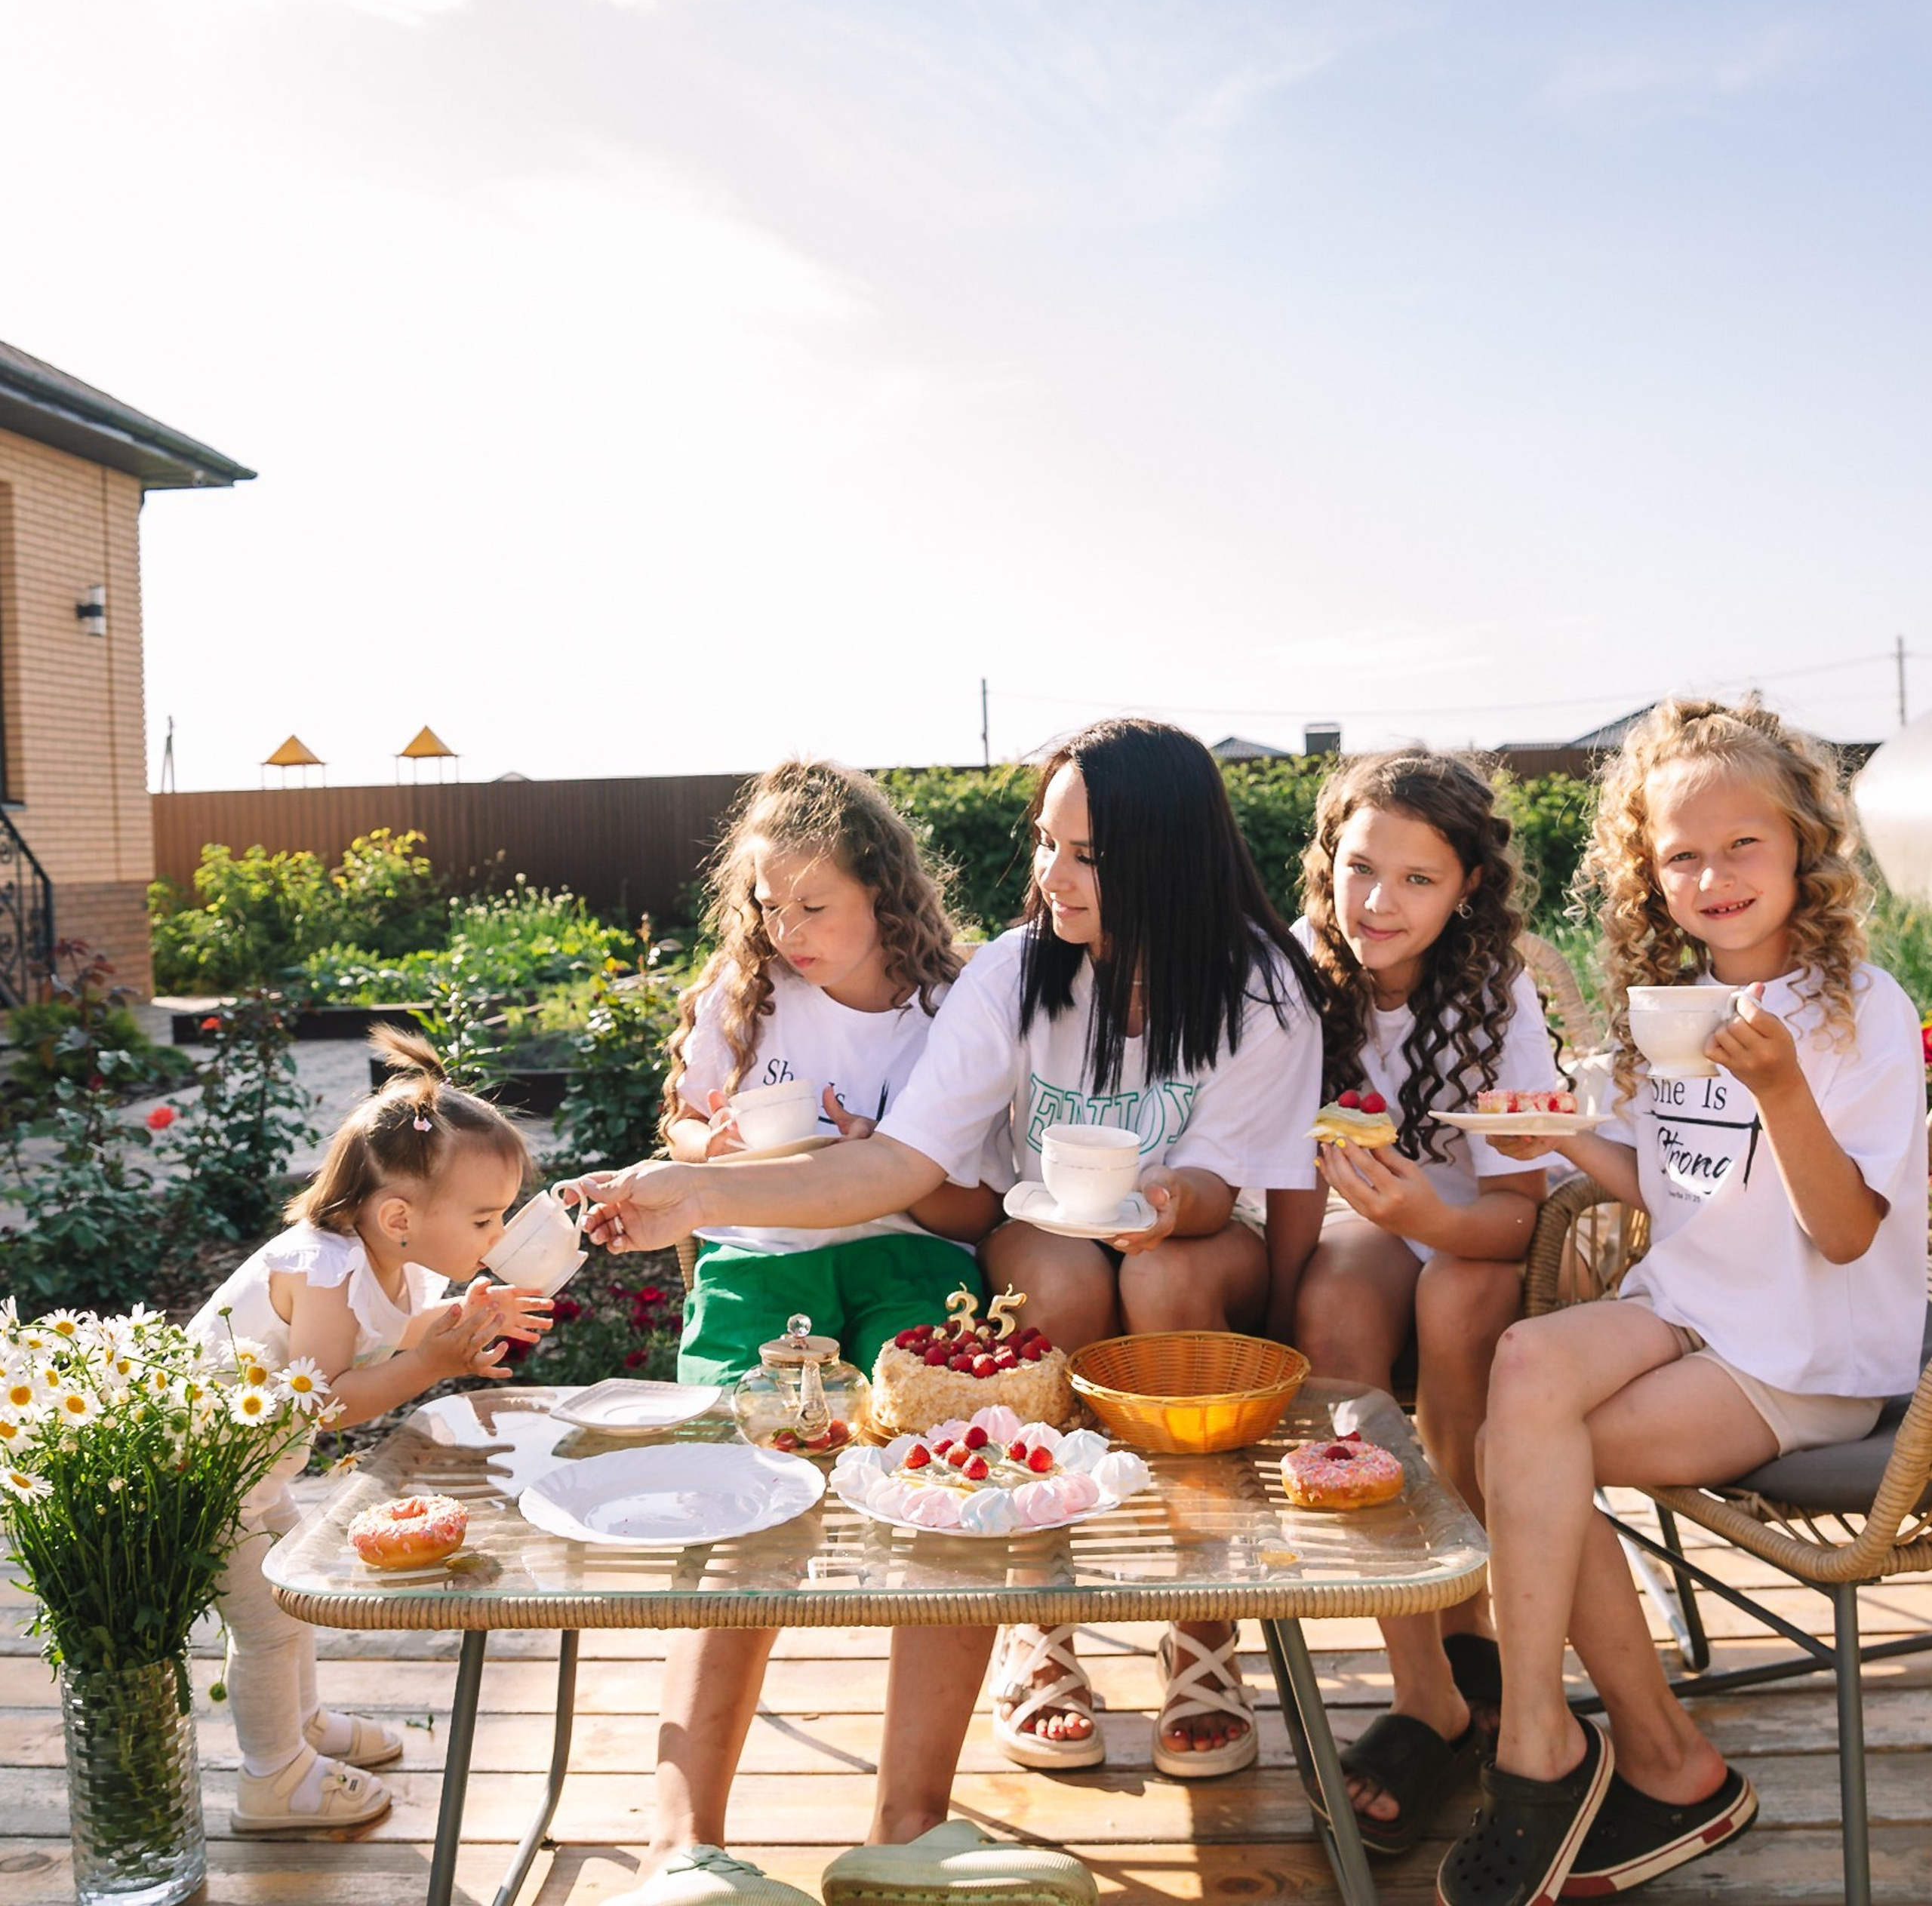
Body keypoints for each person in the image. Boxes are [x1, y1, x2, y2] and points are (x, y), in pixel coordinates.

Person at [583, 719, 1325, 1901]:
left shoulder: (1256, 983)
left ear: (1168, 855)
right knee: (769, 1478)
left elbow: (1249, 1182)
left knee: (1034, 1385)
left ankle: (925, 1813)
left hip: (1164, 1246)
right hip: (1006, 1247)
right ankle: (683, 1852)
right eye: (1045, 845)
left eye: (1085, 854)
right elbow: (904, 1168)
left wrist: (1188, 1222)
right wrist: (697, 1187)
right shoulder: (1010, 972)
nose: (1051, 876)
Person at [1436, 700, 1930, 1906]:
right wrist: (1567, 1138)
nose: (1712, 876)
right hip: (1695, 1301)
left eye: (1741, 845)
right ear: (1648, 875)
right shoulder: (1676, 1000)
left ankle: (1603, 1757)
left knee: (1526, 1459)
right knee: (1530, 1370)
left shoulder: (1852, 1009)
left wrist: (1787, 1096)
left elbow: (1847, 1231)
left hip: (1810, 1353)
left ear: (1804, 847)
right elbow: (1681, 1188)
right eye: (1681, 856)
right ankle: (1557, 1744)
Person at [624, 758, 1016, 1906]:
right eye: (767, 905)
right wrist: (739, 1153)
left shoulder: (952, 1007)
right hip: (760, 1258)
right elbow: (688, 1135)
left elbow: (972, 1207)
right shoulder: (743, 997)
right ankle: (683, 1847)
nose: (785, 930)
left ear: (883, 892)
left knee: (953, 1481)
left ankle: (909, 1829)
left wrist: (876, 1154)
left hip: (916, 1258)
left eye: (813, 905)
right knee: (741, 1501)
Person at [1281, 751, 1562, 1854]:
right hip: (1358, 1237)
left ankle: (1468, 1609)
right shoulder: (1297, 977)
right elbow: (1289, 1186)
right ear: (1329, 866)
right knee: (1340, 1300)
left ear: (1468, 890)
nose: (1378, 904)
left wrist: (1423, 1215)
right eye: (1360, 869)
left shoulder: (1495, 993)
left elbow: (1515, 1213)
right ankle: (1426, 1685)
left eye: (1416, 880)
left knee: (1457, 1297)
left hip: (1470, 1238)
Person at [190, 1029, 551, 1833]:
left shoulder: (392, 1256)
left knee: (288, 1604)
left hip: (255, 1472)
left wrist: (461, 1317)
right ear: (398, 1215)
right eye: (487, 1218)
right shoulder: (322, 1265)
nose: (498, 1238)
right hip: (202, 1471)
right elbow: (322, 1397)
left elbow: (394, 1330)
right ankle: (272, 1779)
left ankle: (303, 1728)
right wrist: (431, 1364)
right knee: (269, 1621)